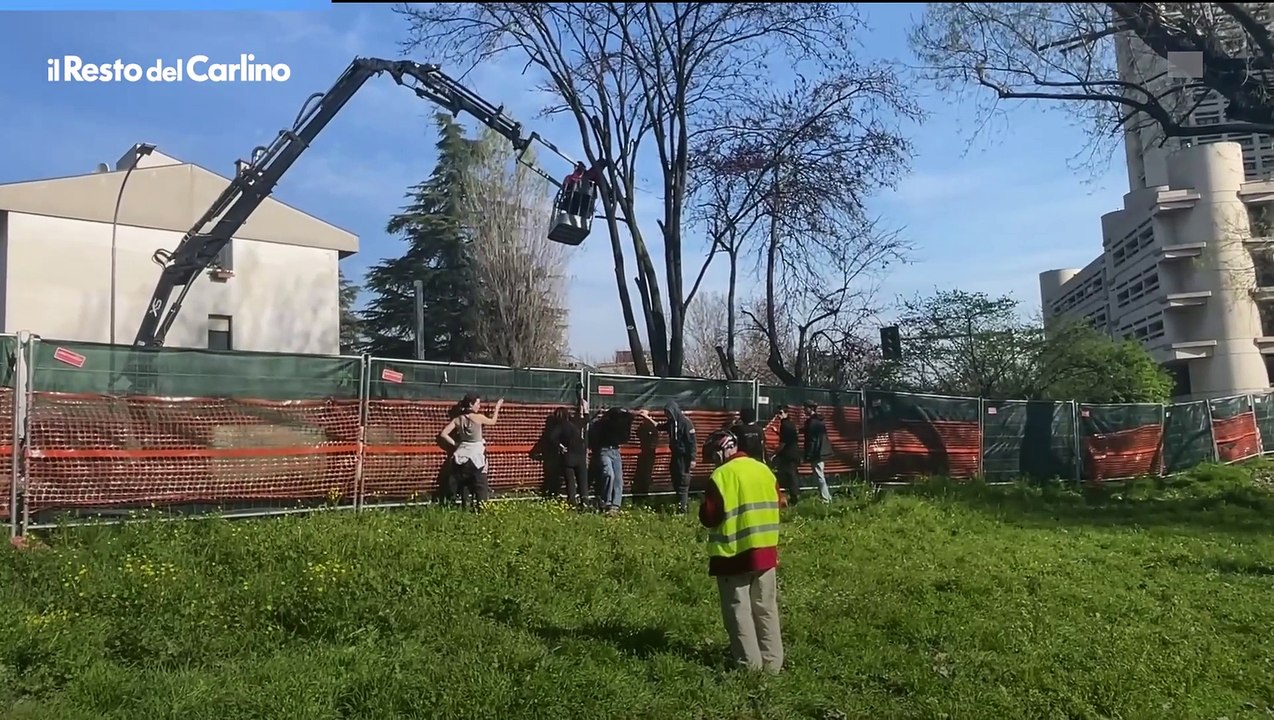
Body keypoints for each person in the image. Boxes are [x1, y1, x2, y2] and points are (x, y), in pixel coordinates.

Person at [698, 429, 785, 673]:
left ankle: (749, 667)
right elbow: (779, 501)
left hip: (733, 555)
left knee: (739, 612)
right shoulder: (763, 470)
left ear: (722, 451)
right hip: (765, 552)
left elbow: (711, 516)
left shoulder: (721, 476)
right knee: (766, 608)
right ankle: (773, 664)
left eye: (713, 456)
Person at [438, 393, 503, 511]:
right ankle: (481, 508)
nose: (479, 406)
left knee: (464, 483)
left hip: (461, 454)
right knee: (480, 483)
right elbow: (493, 421)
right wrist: (497, 407)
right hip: (476, 454)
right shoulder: (479, 418)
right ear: (471, 404)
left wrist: (456, 444)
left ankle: (465, 508)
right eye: (477, 403)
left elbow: (443, 434)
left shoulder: (458, 419)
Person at [637, 401, 697, 513]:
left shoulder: (686, 423)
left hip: (684, 457)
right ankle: (680, 503)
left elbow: (692, 442)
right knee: (675, 478)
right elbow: (659, 427)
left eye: (669, 413)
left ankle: (683, 508)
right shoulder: (671, 423)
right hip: (675, 456)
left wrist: (692, 458)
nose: (668, 416)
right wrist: (647, 418)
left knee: (683, 481)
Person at [589, 404, 638, 514]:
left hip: (615, 450)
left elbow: (628, 422)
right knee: (609, 474)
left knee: (618, 479)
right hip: (604, 450)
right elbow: (592, 428)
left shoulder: (621, 424)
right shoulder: (601, 424)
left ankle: (615, 506)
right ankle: (606, 501)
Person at [550, 401, 590, 508]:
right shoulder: (575, 423)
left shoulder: (560, 426)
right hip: (580, 455)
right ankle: (585, 502)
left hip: (568, 457)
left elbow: (552, 437)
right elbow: (586, 419)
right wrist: (585, 409)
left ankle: (572, 502)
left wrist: (560, 446)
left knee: (570, 482)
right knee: (583, 481)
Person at [801, 401, 833, 504]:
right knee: (819, 474)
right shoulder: (818, 421)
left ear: (811, 408)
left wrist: (809, 454)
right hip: (821, 451)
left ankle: (826, 499)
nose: (804, 410)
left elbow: (812, 440)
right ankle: (826, 497)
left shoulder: (812, 422)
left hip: (816, 452)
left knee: (819, 475)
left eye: (805, 408)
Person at [773, 406, 802, 505]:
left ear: (786, 413)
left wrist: (776, 452)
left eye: (781, 413)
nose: (779, 415)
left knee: (790, 475)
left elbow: (784, 442)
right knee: (791, 474)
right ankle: (793, 494)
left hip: (789, 454)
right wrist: (777, 432)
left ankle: (794, 496)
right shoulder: (790, 424)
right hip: (794, 452)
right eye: (778, 413)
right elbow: (789, 436)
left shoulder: (785, 425)